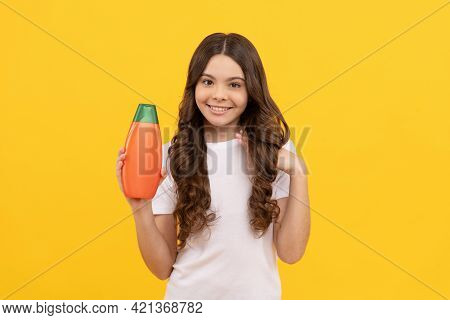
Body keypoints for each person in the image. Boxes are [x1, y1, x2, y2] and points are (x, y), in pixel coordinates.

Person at [116, 33, 310, 300]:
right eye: (208, 82)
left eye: (234, 85)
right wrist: (140, 209)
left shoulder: (276, 153)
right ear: (194, 86)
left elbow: (291, 253)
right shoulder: (172, 156)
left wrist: (298, 173)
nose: (219, 95)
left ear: (251, 90)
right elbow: (162, 268)